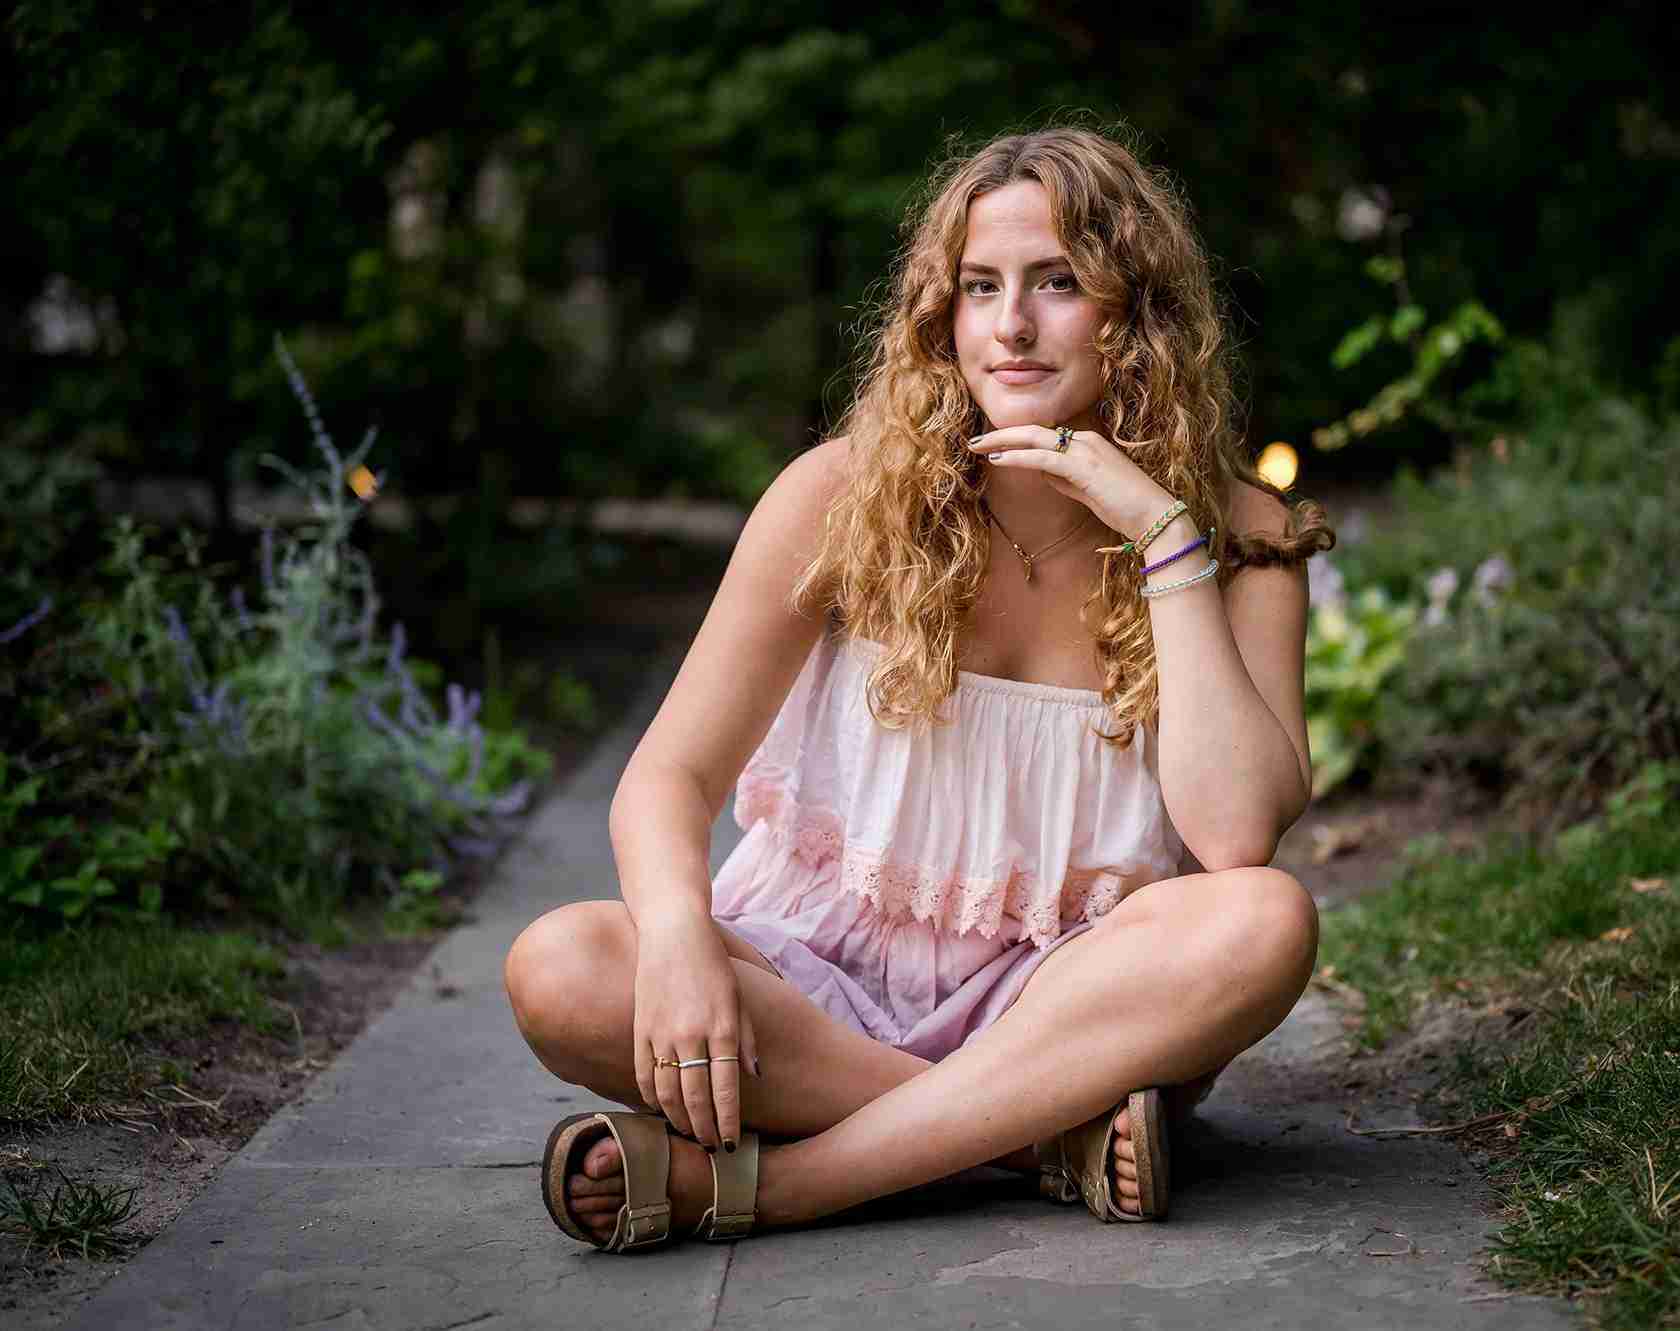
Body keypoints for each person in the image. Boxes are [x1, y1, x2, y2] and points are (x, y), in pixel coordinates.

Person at [506, 123, 1336, 1251]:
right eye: (979, 286)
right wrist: (675, 934)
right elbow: (671, 772)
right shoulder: (840, 493)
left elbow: (1236, 834)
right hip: (816, 989)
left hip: (1066, 1007)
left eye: (1058, 283)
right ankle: (1041, 1143)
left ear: (1136, 313)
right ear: (938, 315)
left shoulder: (1243, 536)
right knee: (560, 965)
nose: (1011, 325)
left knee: (1262, 919)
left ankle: (777, 1186)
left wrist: (1160, 532)